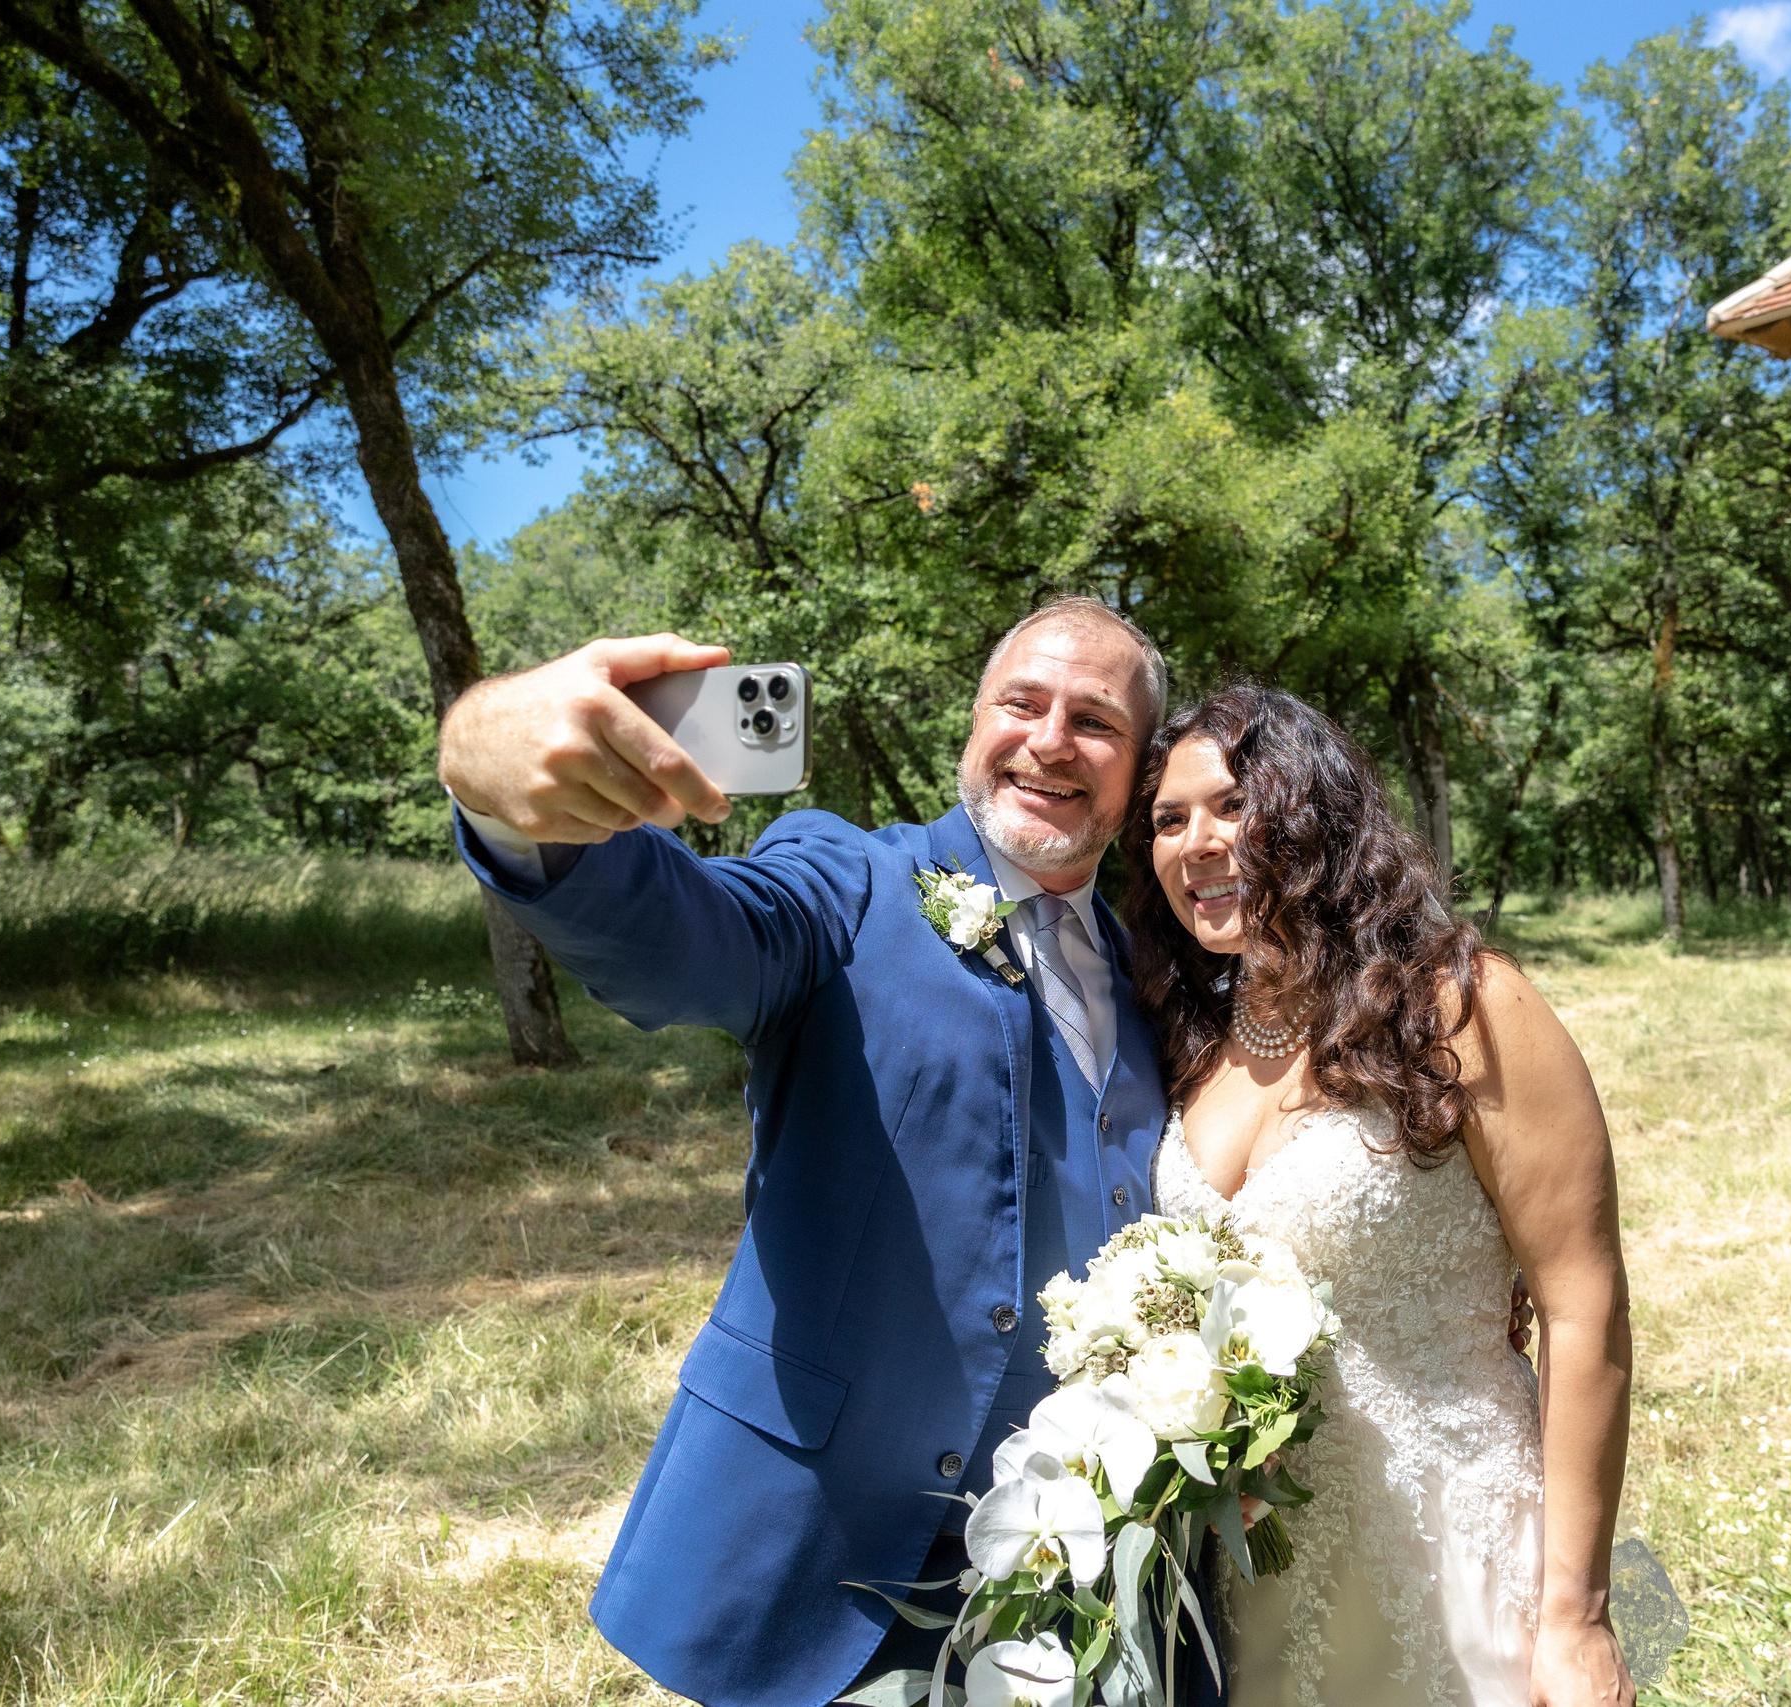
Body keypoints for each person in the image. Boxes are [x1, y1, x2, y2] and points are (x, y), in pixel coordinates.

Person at [436, 598, 1202, 1707]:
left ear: (1137, 772)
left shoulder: (1152, 971)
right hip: (832, 1551)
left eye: (1094, 721)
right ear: (971, 724)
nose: (1048, 739)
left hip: (1075, 1574)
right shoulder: (847, 879)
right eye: (1020, 702)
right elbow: (682, 945)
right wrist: (504, 796)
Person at [1124, 683, 1637, 1707]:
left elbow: (1583, 1305)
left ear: (1310, 814)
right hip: (1260, 1577)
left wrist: (1572, 1615)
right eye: (1167, 821)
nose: (1196, 843)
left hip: (1448, 1553)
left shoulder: (1463, 1006)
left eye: (1231, 805)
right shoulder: (1191, 1042)